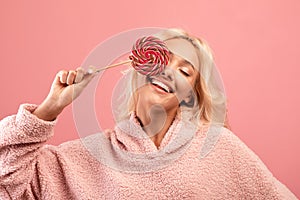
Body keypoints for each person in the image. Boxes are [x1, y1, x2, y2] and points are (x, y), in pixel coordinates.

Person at [0, 28, 297, 199]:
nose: (169, 72)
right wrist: (49, 109)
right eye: (163, 60)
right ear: (139, 70)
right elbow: (8, 181)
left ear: (190, 95)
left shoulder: (221, 149)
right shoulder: (84, 159)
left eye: (185, 70)